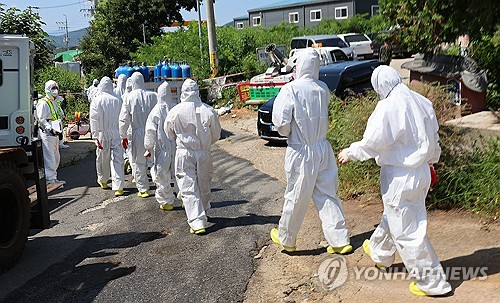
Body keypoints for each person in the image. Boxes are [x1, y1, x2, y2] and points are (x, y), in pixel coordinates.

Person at [337, 65, 452, 296]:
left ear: (379, 85)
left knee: (408, 231)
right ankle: (380, 252)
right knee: (398, 215)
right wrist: (430, 164)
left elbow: (373, 142)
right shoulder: (422, 102)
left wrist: (350, 152)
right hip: (421, 172)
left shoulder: (388, 106)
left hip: (400, 175)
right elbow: (433, 138)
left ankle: (433, 283)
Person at [268, 49, 352, 254]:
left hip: (301, 149)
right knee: (327, 193)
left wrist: (289, 134)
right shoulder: (322, 88)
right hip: (322, 148)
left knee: (296, 195)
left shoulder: (291, 89)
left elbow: (281, 122)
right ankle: (339, 240)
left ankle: (287, 238)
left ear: (300, 66)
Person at [164, 79, 221, 235]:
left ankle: (197, 221)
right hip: (203, 152)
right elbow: (216, 134)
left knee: (188, 186)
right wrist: (204, 144)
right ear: (197, 91)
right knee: (204, 183)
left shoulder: (175, 111)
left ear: (183, 92)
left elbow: (168, 133)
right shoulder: (208, 110)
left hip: (184, 152)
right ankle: (202, 210)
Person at [119, 72, 157, 198]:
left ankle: (143, 189)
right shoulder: (153, 96)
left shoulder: (129, 98)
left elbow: (124, 119)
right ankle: (160, 183)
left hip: (137, 133)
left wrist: (123, 135)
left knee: (139, 162)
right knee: (155, 160)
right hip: (153, 132)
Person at [144, 81, 178, 210]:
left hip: (162, 150)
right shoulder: (176, 108)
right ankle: (185, 198)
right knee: (180, 174)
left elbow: (150, 132)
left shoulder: (155, 112)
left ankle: (166, 201)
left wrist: (148, 147)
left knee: (162, 176)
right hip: (177, 149)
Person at [90, 76, 125, 196]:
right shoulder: (118, 99)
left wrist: (95, 136)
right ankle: (119, 186)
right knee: (118, 159)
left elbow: (94, 119)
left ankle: (103, 180)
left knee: (102, 158)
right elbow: (123, 118)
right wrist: (124, 133)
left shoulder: (97, 100)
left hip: (102, 133)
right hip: (116, 132)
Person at [36, 80, 66, 185]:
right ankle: (50, 180)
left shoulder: (55, 101)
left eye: (56, 88)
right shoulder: (43, 103)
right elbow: (41, 119)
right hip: (47, 133)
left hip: (55, 133)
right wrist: (49, 128)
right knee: (49, 158)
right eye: (53, 88)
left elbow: (58, 115)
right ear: (48, 89)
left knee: (56, 157)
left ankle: (54, 178)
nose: (55, 90)